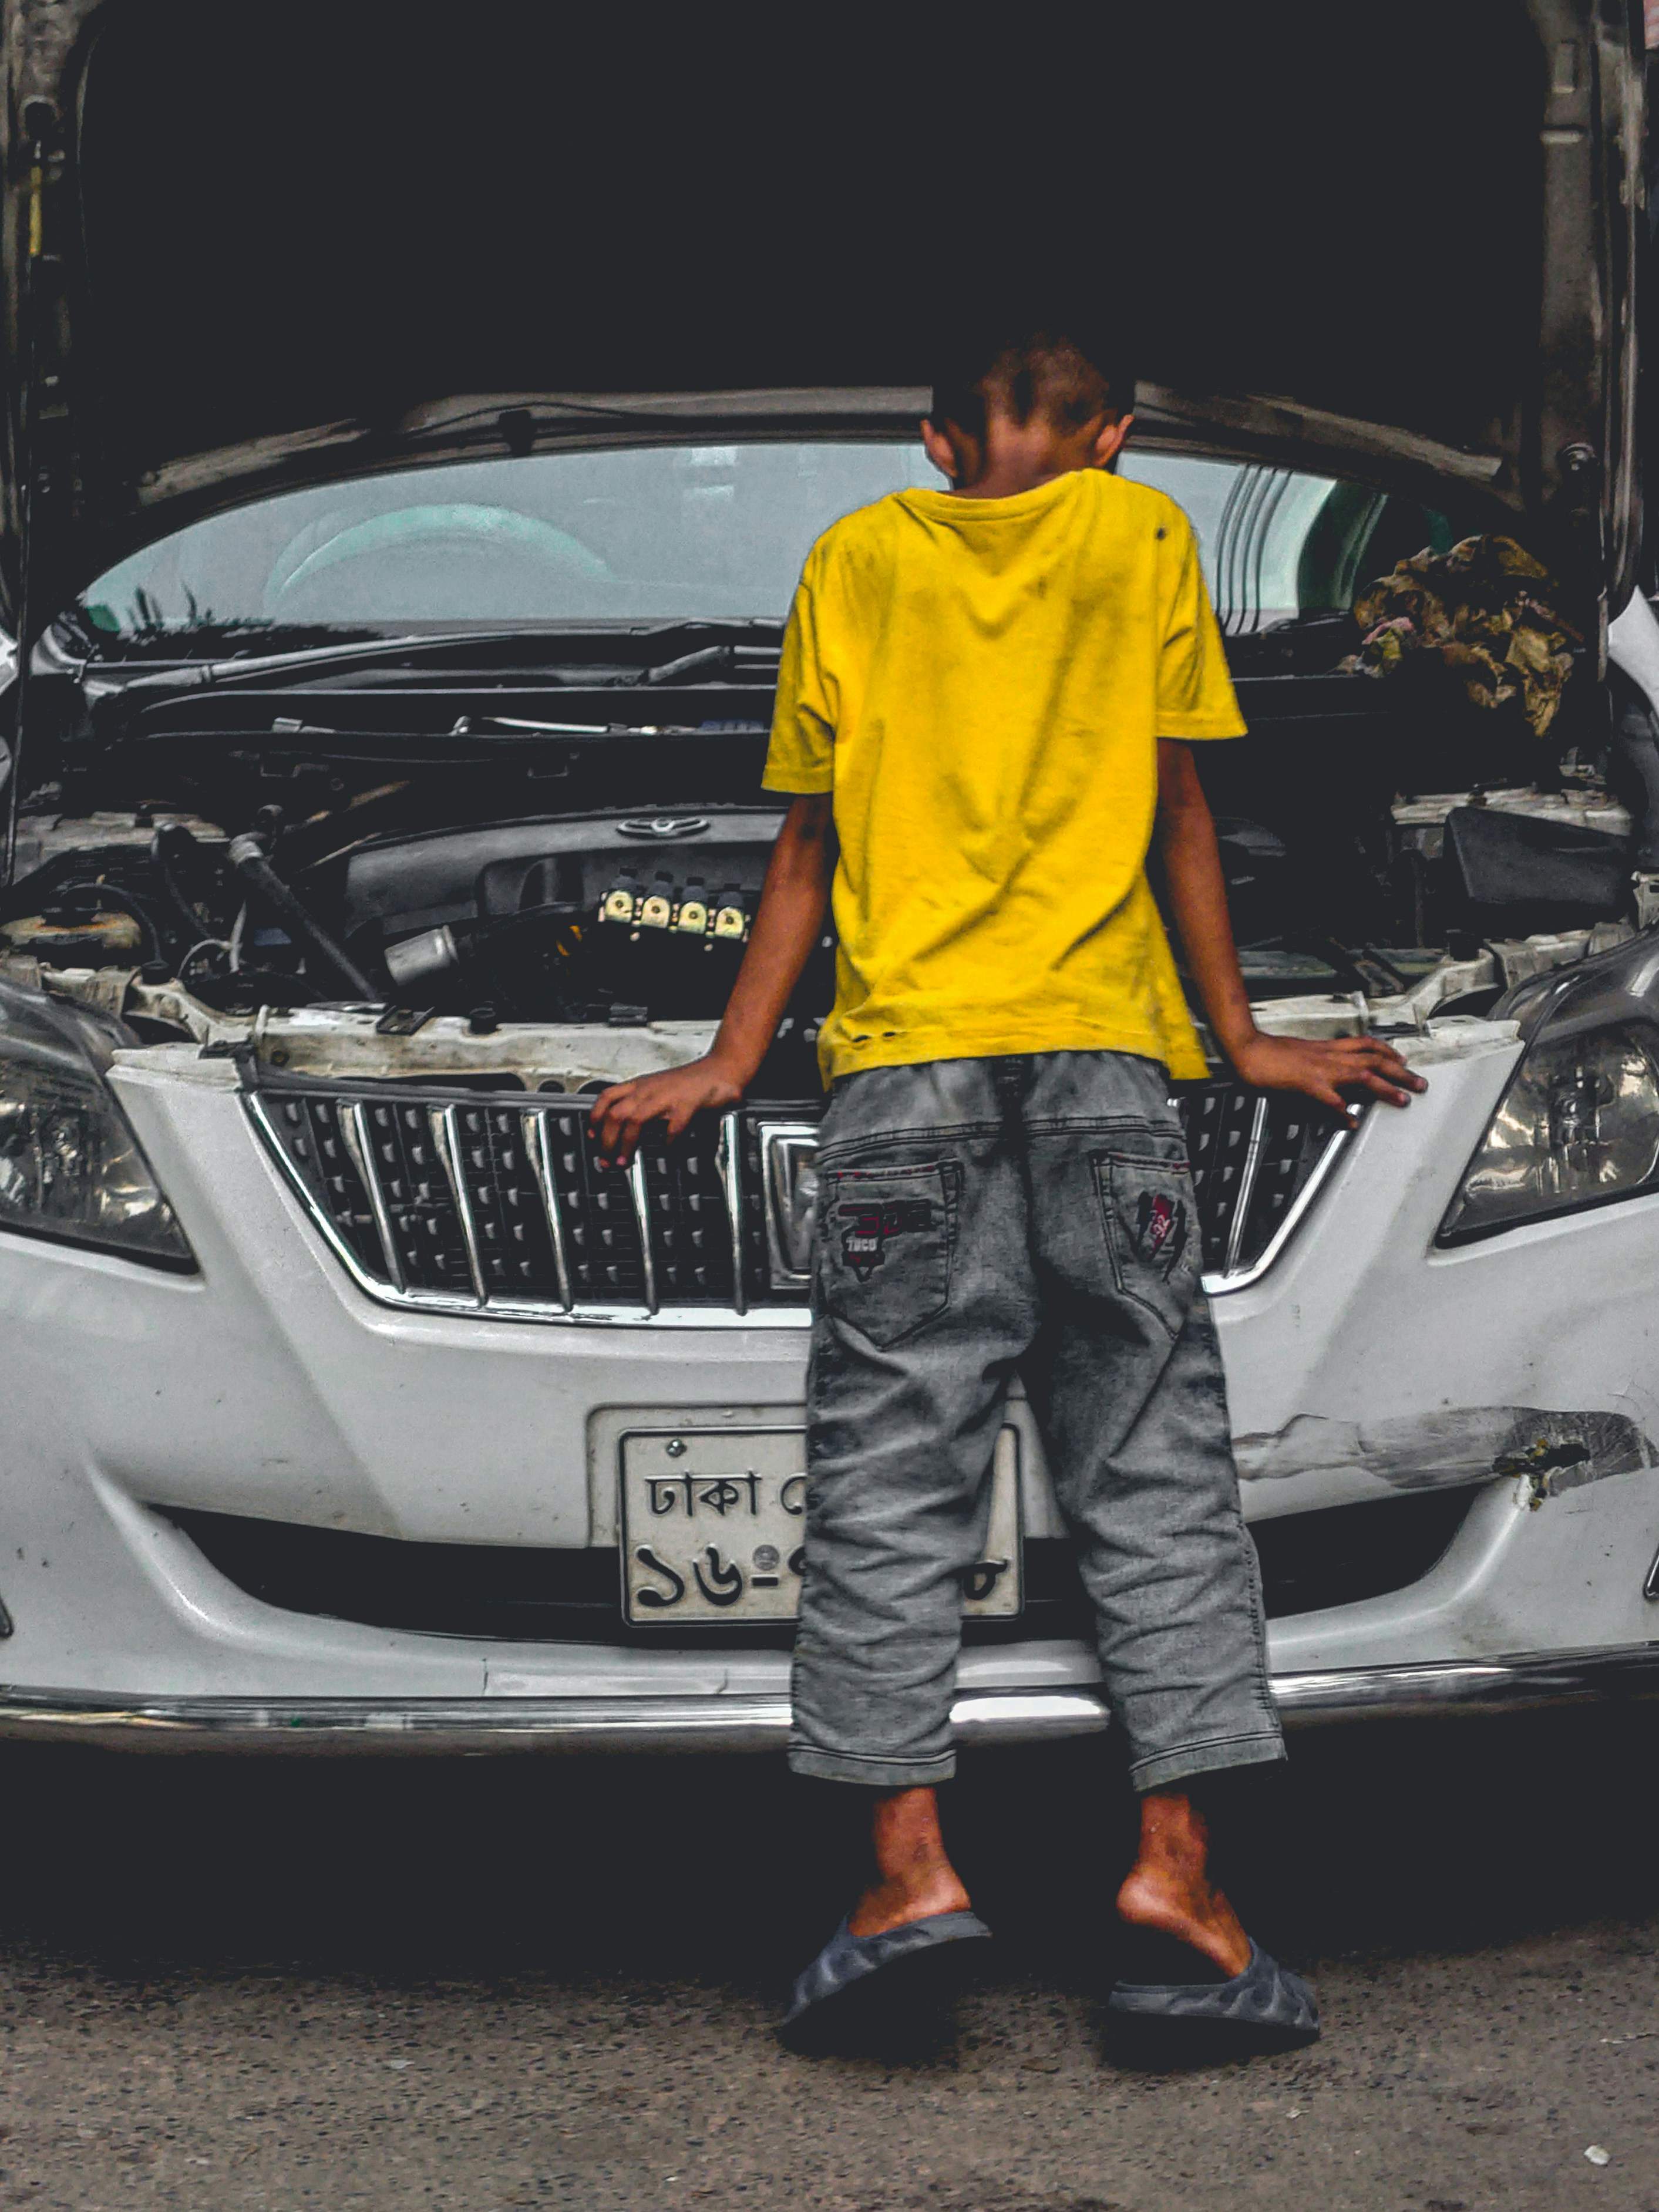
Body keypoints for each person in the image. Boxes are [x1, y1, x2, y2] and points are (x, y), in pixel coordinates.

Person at [591, 323, 1424, 2049]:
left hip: (902, 1080)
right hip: (1105, 1073)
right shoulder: (1137, 542)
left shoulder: (857, 558)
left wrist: (729, 1061)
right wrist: (1245, 1038)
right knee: (1157, 1479)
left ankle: (908, 1878)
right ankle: (1175, 1884)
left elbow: (807, 843)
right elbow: (1176, 809)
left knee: (891, 1490)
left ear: (929, 441)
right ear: (1113, 437)